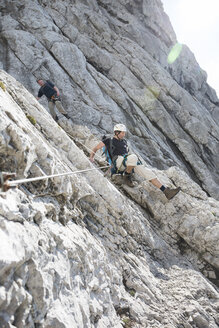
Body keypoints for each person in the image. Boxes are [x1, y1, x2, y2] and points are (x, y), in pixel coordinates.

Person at [90, 124, 181, 200]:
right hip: (118, 162)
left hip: (127, 162)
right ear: (117, 132)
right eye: (122, 132)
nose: (124, 134)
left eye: (124, 132)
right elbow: (95, 148)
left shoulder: (124, 142)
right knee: (133, 157)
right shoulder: (109, 140)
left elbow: (128, 155)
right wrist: (91, 158)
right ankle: (127, 176)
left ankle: (166, 191)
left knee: (147, 172)